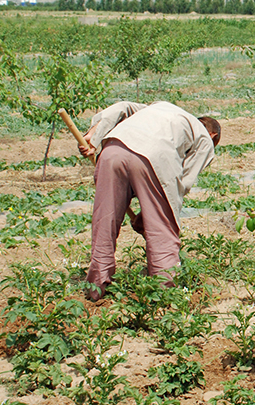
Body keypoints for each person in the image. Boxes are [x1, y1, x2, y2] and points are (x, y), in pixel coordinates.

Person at [78, 101, 221, 300]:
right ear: (213, 135)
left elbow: (123, 106)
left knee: (105, 221)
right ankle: (165, 294)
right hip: (153, 156)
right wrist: (150, 218)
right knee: (163, 230)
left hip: (113, 150)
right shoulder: (205, 138)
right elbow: (182, 184)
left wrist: (94, 134)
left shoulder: (159, 108)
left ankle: (96, 288)